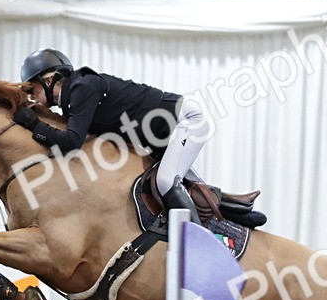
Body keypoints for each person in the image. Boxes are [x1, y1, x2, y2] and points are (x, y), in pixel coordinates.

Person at [12, 48, 208, 223]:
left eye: (32, 89)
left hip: (187, 119)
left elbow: (71, 142)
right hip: (165, 137)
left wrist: (33, 124)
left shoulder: (81, 89)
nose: (31, 97)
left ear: (48, 81)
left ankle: (196, 248)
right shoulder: (74, 96)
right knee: (195, 191)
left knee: (166, 182)